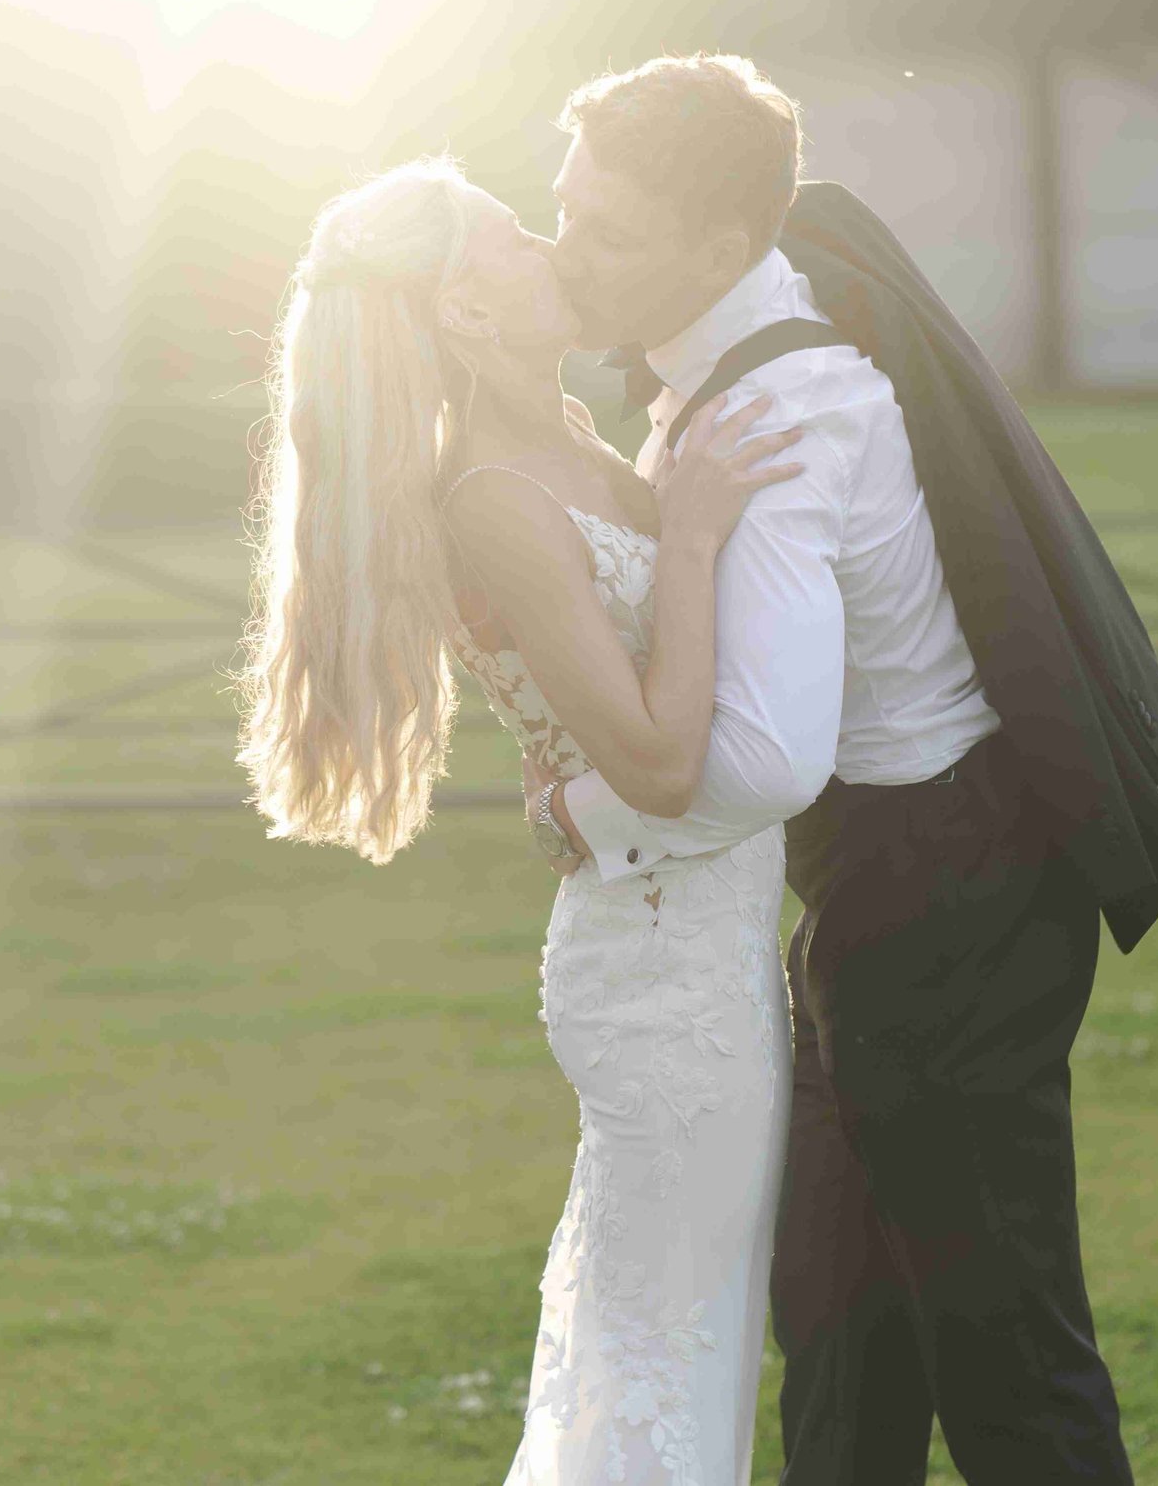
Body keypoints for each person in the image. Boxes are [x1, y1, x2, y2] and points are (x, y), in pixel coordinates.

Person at [531, 53, 1158, 1484]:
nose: (563, 253)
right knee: (843, 1347)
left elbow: (771, 758)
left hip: (948, 895)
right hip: (890, 896)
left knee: (1008, 1360)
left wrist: (586, 815)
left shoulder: (780, 424)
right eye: (564, 211)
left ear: (720, 248)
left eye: (606, 232)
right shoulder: (746, 343)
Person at [235, 156, 810, 1486]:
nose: (549, 241)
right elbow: (664, 762)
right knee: (662, 1363)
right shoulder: (495, 498)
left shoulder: (578, 442)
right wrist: (701, 537)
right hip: (661, 988)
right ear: (465, 313)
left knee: (682, 1359)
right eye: (510, 235)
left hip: (707, 954)